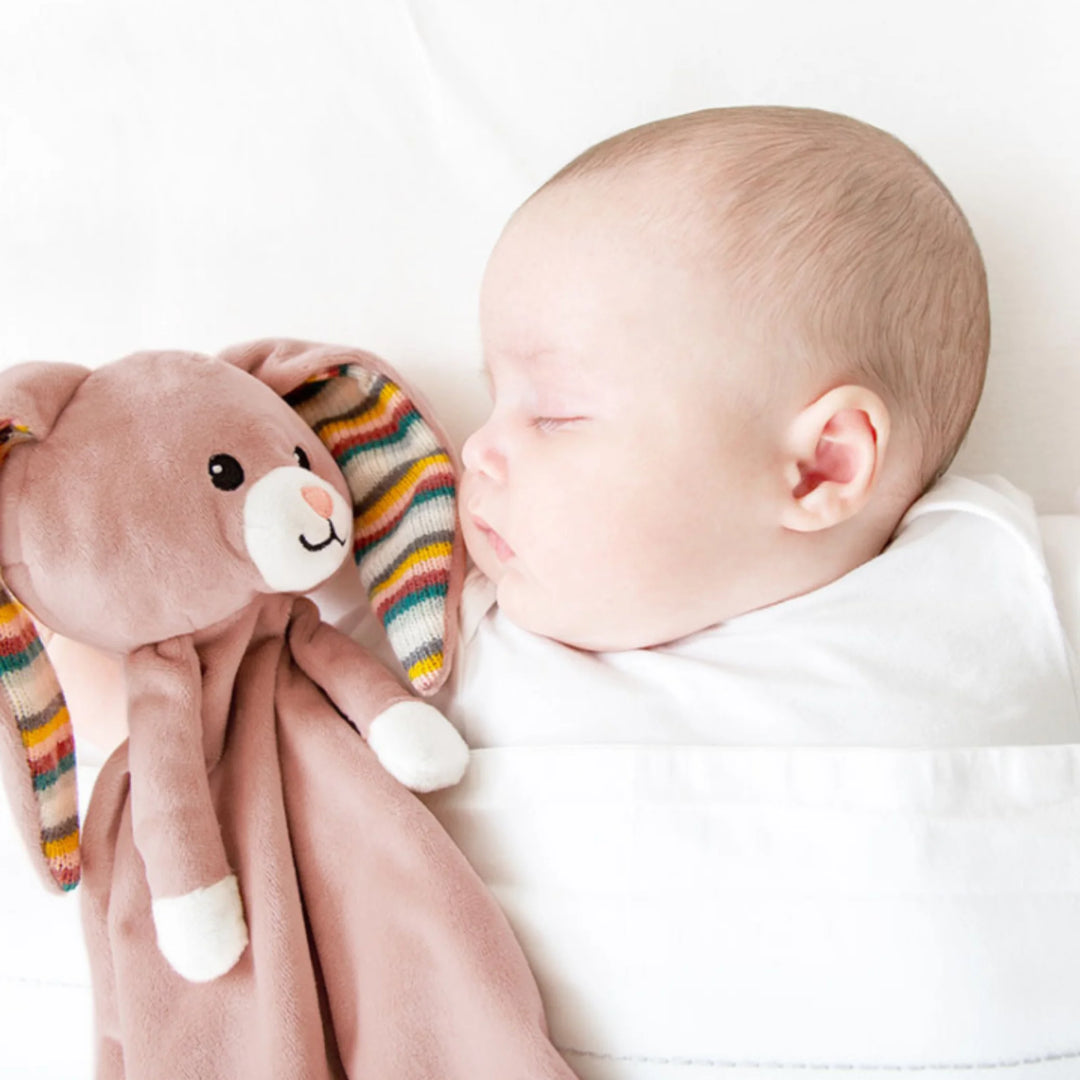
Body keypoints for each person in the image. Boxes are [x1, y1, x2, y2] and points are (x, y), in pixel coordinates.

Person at [445, 105, 1079, 747]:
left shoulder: (1002, 586)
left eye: (556, 415)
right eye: (494, 397)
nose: (476, 449)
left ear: (819, 469)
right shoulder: (445, 632)